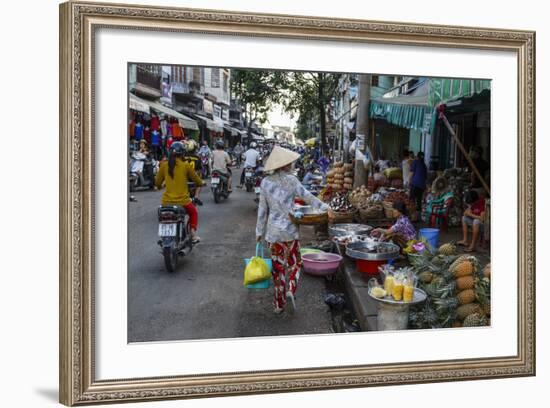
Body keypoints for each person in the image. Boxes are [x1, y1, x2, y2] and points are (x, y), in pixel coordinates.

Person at [256, 146, 329, 314]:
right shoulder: (292, 180)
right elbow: (308, 197)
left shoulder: (265, 183)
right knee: (295, 263)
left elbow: (262, 211)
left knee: (278, 269)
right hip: (289, 232)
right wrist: (325, 207)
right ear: (284, 165)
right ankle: (291, 287)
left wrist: (258, 232)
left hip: (273, 234)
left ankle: (278, 304)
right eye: (289, 162)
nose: (291, 164)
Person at [155, 141, 205, 243]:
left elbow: (157, 183)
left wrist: (161, 185)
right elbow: (197, 180)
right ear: (183, 154)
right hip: (183, 201)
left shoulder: (164, 165)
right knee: (193, 212)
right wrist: (201, 183)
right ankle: (192, 234)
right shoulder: (185, 166)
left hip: (166, 202)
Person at [183, 140, 204, 206]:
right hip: (193, 178)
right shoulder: (197, 158)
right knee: (200, 184)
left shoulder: (182, 157)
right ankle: (196, 197)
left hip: (183, 177)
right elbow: (199, 170)